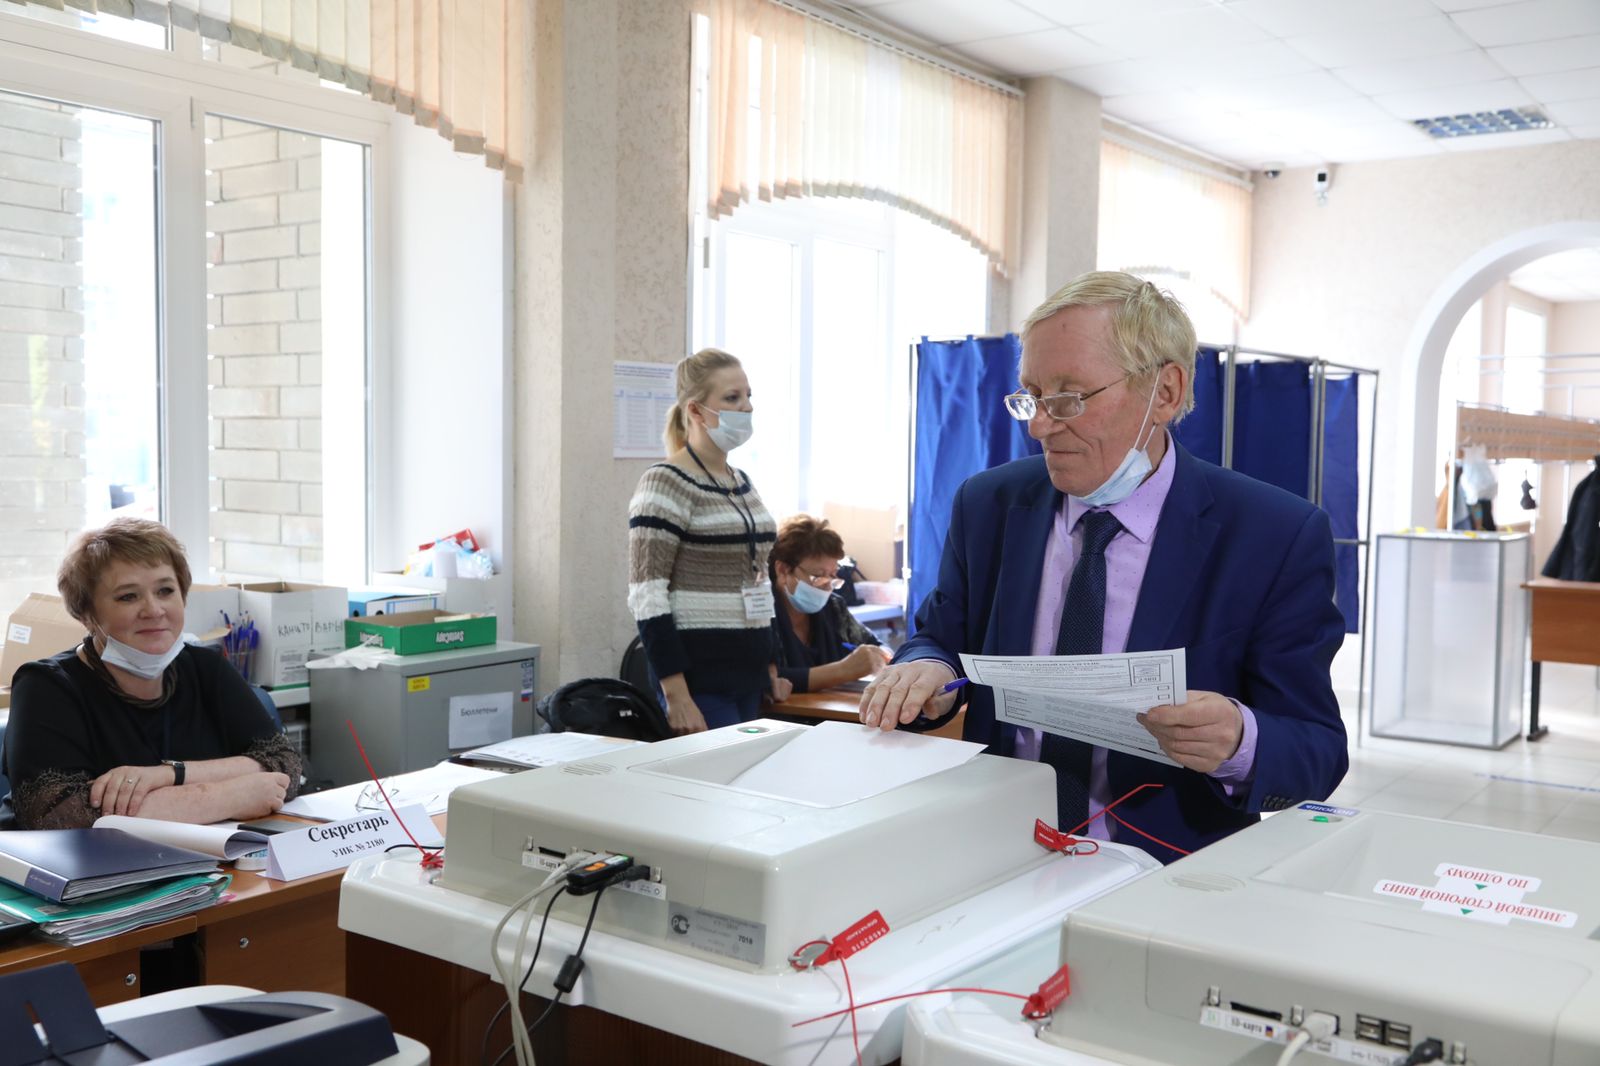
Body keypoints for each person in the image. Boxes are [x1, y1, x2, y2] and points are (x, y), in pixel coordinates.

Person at [859, 271, 1346, 862]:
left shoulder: (1272, 534)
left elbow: (1317, 753)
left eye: (1069, 397)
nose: (1039, 424)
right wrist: (925, 668)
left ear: (1165, 393)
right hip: (994, 850)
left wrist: (1239, 740)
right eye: (1032, 396)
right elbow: (943, 637)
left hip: (1162, 871)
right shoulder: (989, 504)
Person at [3, 519, 300, 830]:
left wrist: (171, 774)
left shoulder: (205, 667)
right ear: (87, 614)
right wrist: (231, 795)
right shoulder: (46, 687)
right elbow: (61, 816)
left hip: (199, 864)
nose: (154, 609)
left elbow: (286, 764)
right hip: (75, 873)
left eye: (165, 591)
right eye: (128, 596)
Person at [628, 348, 789, 733]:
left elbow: (758, 578)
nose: (746, 407)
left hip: (748, 672)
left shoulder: (742, 482)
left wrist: (771, 663)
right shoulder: (665, 481)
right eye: (732, 398)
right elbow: (647, 595)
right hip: (699, 680)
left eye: (748, 396)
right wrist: (677, 695)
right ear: (696, 411)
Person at [769, 515, 890, 693]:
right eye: (818, 577)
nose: (827, 586)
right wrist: (843, 670)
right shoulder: (763, 615)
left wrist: (881, 657)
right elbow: (766, 679)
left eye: (833, 576)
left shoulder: (833, 608)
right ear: (783, 570)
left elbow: (875, 645)